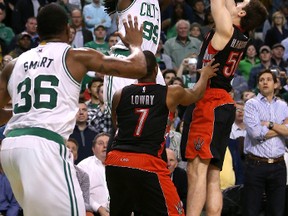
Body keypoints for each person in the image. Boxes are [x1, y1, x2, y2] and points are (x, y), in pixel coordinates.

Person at [0, 3, 147, 215]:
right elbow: (139, 67)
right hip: (44, 146)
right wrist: (135, 45)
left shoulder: (14, 64)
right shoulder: (75, 55)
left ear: (38, 30)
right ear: (68, 29)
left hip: (11, 148)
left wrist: (26, 114)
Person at [105, 50, 219, 215]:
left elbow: (116, 125)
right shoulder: (171, 92)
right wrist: (205, 75)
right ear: (156, 69)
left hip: (116, 161)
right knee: (175, 212)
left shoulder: (119, 94)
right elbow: (196, 94)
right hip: (147, 161)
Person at [184, 1, 268, 216]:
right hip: (223, 104)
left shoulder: (226, 30)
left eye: (241, 3)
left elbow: (218, 3)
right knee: (213, 175)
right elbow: (229, 5)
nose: (237, 2)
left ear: (240, 12)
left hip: (209, 103)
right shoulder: (239, 35)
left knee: (196, 171)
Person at [103, 0, 165, 111]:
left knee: (158, 117)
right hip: (126, 57)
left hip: (149, 63)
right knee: (122, 115)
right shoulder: (127, 2)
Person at [243, 69, 288, 216]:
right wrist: (280, 127)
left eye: (269, 79)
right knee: (251, 211)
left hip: (279, 165)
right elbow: (255, 133)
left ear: (275, 84)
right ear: (258, 85)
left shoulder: (283, 106)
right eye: (261, 80)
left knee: (277, 212)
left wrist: (269, 124)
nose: (265, 82)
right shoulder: (251, 104)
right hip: (255, 165)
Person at [77, 132, 110, 216]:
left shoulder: (120, 165)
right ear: (93, 149)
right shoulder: (83, 166)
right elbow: (81, 193)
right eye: (100, 143)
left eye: (108, 143)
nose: (105, 146)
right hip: (95, 212)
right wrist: (100, 209)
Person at [66, 138, 93, 215]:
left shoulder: (83, 176)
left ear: (76, 155)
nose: (70, 150)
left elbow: (86, 203)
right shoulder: (52, 169)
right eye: (67, 147)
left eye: (73, 149)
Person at [166, 148, 188, 213]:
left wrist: (177, 205)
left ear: (176, 163)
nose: (168, 164)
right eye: (165, 160)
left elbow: (186, 198)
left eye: (171, 160)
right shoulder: (154, 175)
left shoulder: (181, 175)